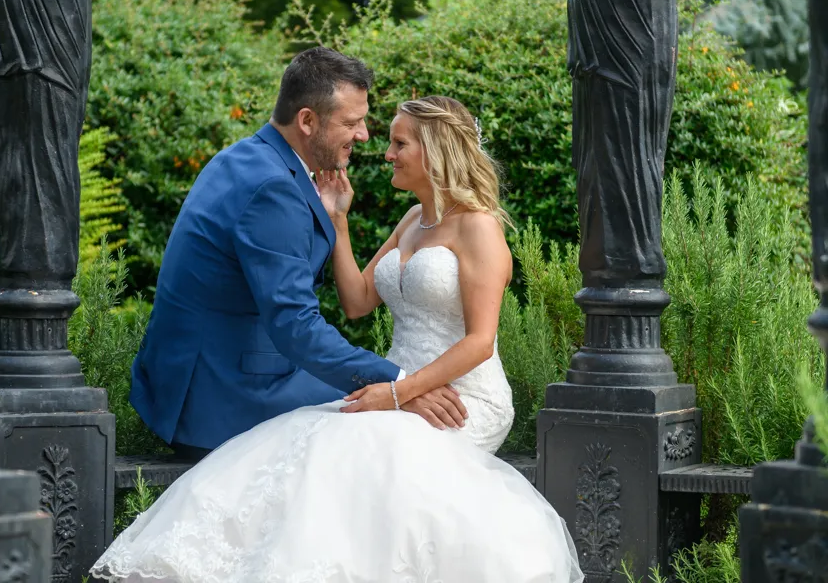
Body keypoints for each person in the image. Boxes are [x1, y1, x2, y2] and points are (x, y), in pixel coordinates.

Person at [92, 95, 584, 582]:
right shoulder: (413, 221)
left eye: (399, 143)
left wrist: (398, 391)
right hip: (402, 392)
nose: (386, 152)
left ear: (436, 150)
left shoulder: (479, 227)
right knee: (316, 434)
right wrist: (339, 220)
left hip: (460, 398)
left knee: (357, 452)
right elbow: (358, 300)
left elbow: (480, 342)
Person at [129, 47, 470, 461]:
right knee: (393, 429)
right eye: (352, 122)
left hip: (199, 373)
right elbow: (296, 325)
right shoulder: (272, 188)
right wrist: (401, 386)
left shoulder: (246, 158)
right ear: (307, 120)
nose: (364, 135)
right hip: (224, 395)